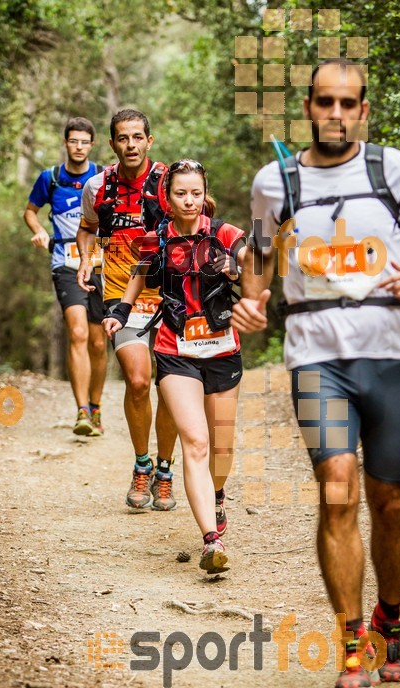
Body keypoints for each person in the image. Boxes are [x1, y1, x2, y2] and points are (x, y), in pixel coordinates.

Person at [232, 58, 400, 688]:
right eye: (326, 102)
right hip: (315, 358)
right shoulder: (277, 180)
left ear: (365, 110)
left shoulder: (396, 171)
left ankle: (389, 623)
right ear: (309, 107)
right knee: (338, 491)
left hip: (392, 357)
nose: (337, 114)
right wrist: (254, 299)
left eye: (349, 104)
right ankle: (353, 651)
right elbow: (260, 250)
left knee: (391, 501)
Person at [103, 160, 254, 572]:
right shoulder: (156, 239)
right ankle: (211, 541)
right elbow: (138, 275)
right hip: (176, 350)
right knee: (197, 443)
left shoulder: (223, 232)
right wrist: (121, 310)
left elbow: (252, 261)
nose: (189, 200)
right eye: (181, 193)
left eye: (196, 193)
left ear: (205, 194)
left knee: (221, 448)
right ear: (167, 199)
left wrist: (239, 268)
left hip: (223, 351)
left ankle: (217, 495)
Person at [77, 109, 178, 511]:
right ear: (112, 143)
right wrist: (86, 259)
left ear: (149, 141)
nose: (131, 145)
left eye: (138, 137)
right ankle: (142, 465)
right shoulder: (97, 186)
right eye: (123, 138)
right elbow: (87, 228)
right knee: (138, 381)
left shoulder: (170, 182)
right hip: (123, 296)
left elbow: (197, 221)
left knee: (170, 385)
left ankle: (165, 470)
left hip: (172, 297)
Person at [24, 116, 107, 437]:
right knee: (78, 333)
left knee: (99, 342)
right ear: (65, 143)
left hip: (100, 265)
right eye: (73, 141)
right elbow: (30, 211)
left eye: (84, 142)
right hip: (64, 262)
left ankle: (96, 407)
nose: (79, 147)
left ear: (92, 145)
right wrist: (39, 231)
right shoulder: (51, 178)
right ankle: (82, 411)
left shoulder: (102, 177)